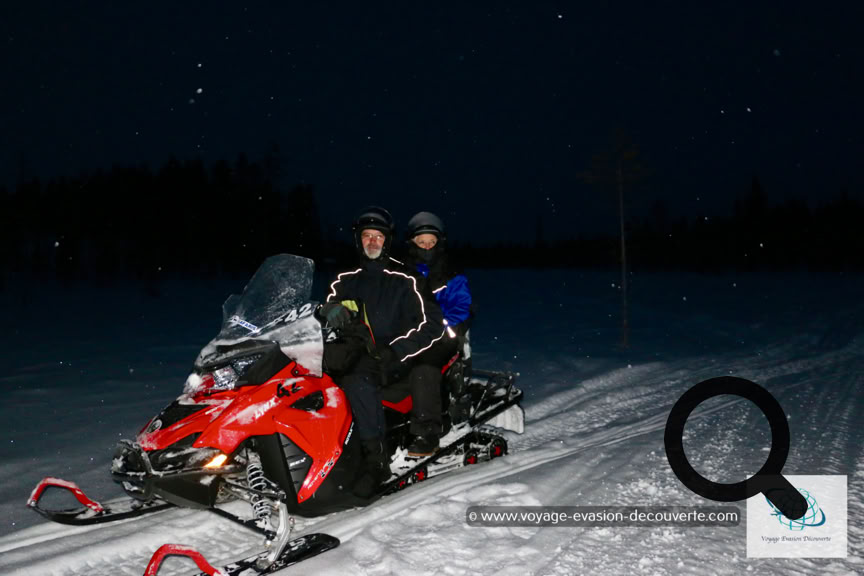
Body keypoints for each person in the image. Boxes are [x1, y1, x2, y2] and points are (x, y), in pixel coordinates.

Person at [319, 206, 446, 498]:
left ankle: (375, 461)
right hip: (350, 353)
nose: (373, 242)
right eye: (367, 236)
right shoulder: (344, 279)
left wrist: (394, 350)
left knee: (356, 382)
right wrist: (325, 310)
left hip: (394, 358)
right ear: (359, 240)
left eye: (379, 236)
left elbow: (433, 325)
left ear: (387, 241)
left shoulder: (406, 278)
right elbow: (324, 315)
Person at [402, 211, 472, 457]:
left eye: (431, 242)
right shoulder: (401, 272)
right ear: (412, 243)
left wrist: (444, 327)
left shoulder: (450, 272)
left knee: (423, 369)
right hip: (409, 336)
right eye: (422, 242)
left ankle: (427, 432)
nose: (427, 247)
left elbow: (462, 307)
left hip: (441, 335)